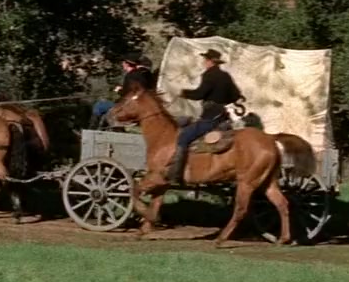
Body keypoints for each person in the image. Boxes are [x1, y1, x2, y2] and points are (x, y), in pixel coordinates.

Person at [168, 49, 243, 185]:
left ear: (210, 61)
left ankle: (175, 175)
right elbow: (236, 95)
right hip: (223, 116)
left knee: (184, 137)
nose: (204, 62)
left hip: (210, 116)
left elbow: (199, 94)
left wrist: (184, 93)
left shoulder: (209, 75)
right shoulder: (225, 76)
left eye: (205, 60)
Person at [90, 52, 157, 128]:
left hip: (129, 107)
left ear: (127, 64)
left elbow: (130, 94)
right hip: (137, 105)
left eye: (123, 62)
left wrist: (119, 91)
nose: (122, 64)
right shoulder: (142, 74)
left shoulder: (132, 75)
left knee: (99, 106)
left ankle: (92, 129)